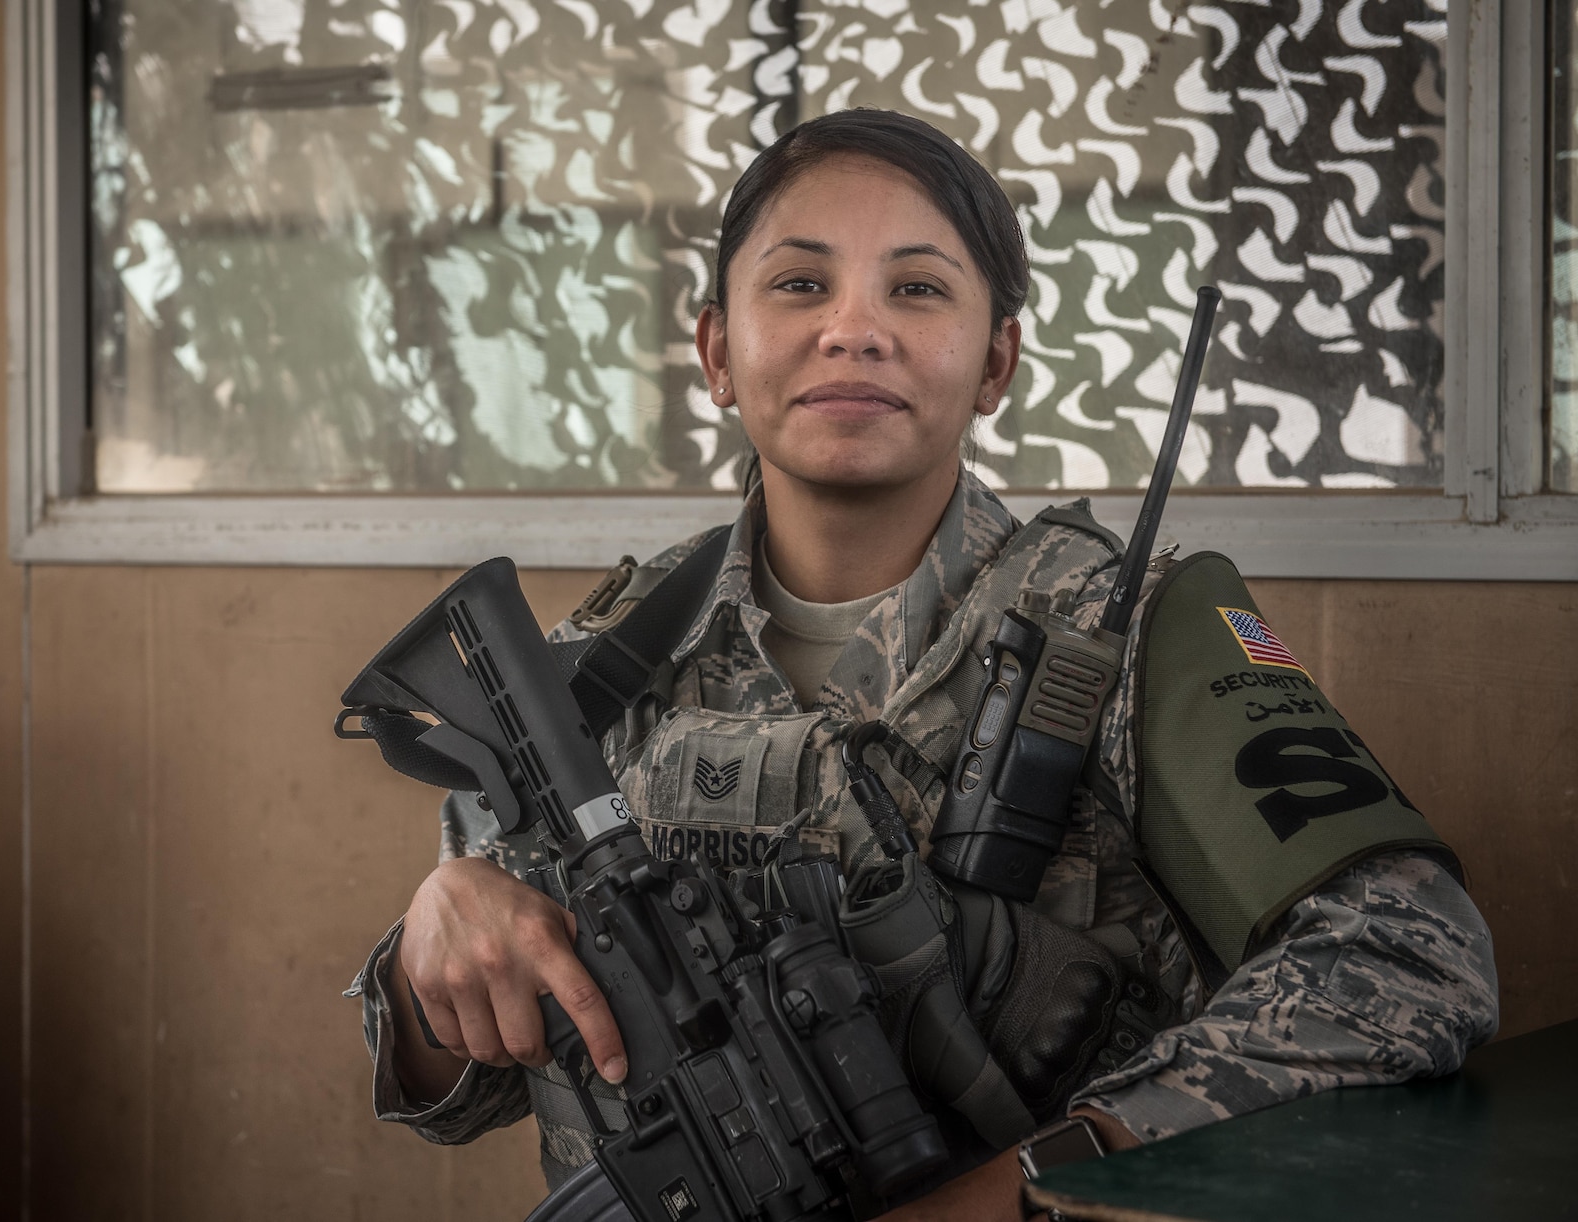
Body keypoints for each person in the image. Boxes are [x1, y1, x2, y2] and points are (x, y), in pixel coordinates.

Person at [346, 108, 1498, 1220]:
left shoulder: (1127, 629)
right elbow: (469, 1088)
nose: (854, 327)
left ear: (996, 359)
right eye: (799, 283)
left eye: (916, 287)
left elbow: (1409, 960)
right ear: (714, 350)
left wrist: (1051, 1175)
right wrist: (427, 955)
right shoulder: (589, 674)